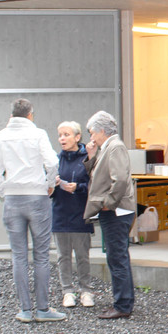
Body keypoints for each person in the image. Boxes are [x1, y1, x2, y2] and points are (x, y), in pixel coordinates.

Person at [0, 99, 64, 323]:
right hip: (37, 197)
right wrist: (49, 185)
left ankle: (25, 310)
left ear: (12, 115)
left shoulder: (0, 136)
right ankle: (42, 309)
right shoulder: (38, 134)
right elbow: (52, 162)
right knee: (41, 255)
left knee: (18, 255)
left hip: (13, 199)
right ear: (30, 114)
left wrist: (5, 192)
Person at [83, 110, 137, 319]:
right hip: (116, 210)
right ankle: (123, 302)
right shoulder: (109, 147)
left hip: (116, 211)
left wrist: (109, 203)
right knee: (118, 256)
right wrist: (91, 156)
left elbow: (120, 179)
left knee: (117, 258)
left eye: (92, 133)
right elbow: (100, 175)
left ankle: (122, 305)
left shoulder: (114, 147)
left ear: (101, 131)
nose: (91, 138)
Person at [52, 120, 95, 308]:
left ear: (77, 137)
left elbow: (95, 185)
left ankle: (86, 290)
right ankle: (67, 291)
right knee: (63, 256)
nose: (62, 139)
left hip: (80, 213)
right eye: (60, 135)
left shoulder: (87, 158)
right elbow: (47, 190)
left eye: (66, 135)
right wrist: (53, 185)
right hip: (60, 213)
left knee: (82, 255)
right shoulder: (55, 160)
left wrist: (78, 187)